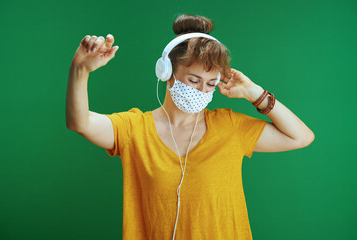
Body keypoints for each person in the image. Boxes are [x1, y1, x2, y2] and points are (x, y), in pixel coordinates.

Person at [66, 14, 315, 240]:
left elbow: (300, 137)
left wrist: (254, 93)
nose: (201, 90)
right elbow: (80, 122)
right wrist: (80, 70)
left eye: (210, 83)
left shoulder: (229, 126)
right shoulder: (134, 128)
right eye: (194, 80)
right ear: (167, 73)